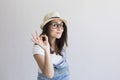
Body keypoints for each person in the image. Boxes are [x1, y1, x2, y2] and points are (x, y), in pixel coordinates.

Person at [32, 12, 69, 80]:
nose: (60, 29)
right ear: (46, 27)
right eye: (55, 25)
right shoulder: (38, 48)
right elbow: (49, 74)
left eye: (61, 25)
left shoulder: (61, 45)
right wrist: (46, 49)